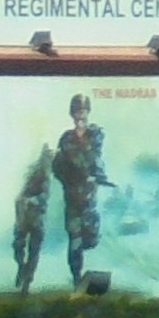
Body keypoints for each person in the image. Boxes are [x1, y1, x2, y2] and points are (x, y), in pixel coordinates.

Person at [54, 93, 108, 284]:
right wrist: (68, 180)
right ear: (72, 114)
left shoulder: (95, 135)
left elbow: (94, 157)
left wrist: (95, 176)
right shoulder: (66, 139)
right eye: (77, 112)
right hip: (72, 194)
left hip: (88, 194)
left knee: (90, 237)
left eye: (83, 111)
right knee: (74, 237)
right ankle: (76, 277)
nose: (80, 116)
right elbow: (58, 166)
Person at [10, 143, 53, 293]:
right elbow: (21, 196)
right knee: (18, 246)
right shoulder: (31, 175)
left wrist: (32, 201)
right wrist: (22, 203)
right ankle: (22, 269)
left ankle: (27, 281)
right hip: (24, 218)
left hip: (37, 219)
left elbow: (45, 196)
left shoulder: (46, 178)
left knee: (33, 252)